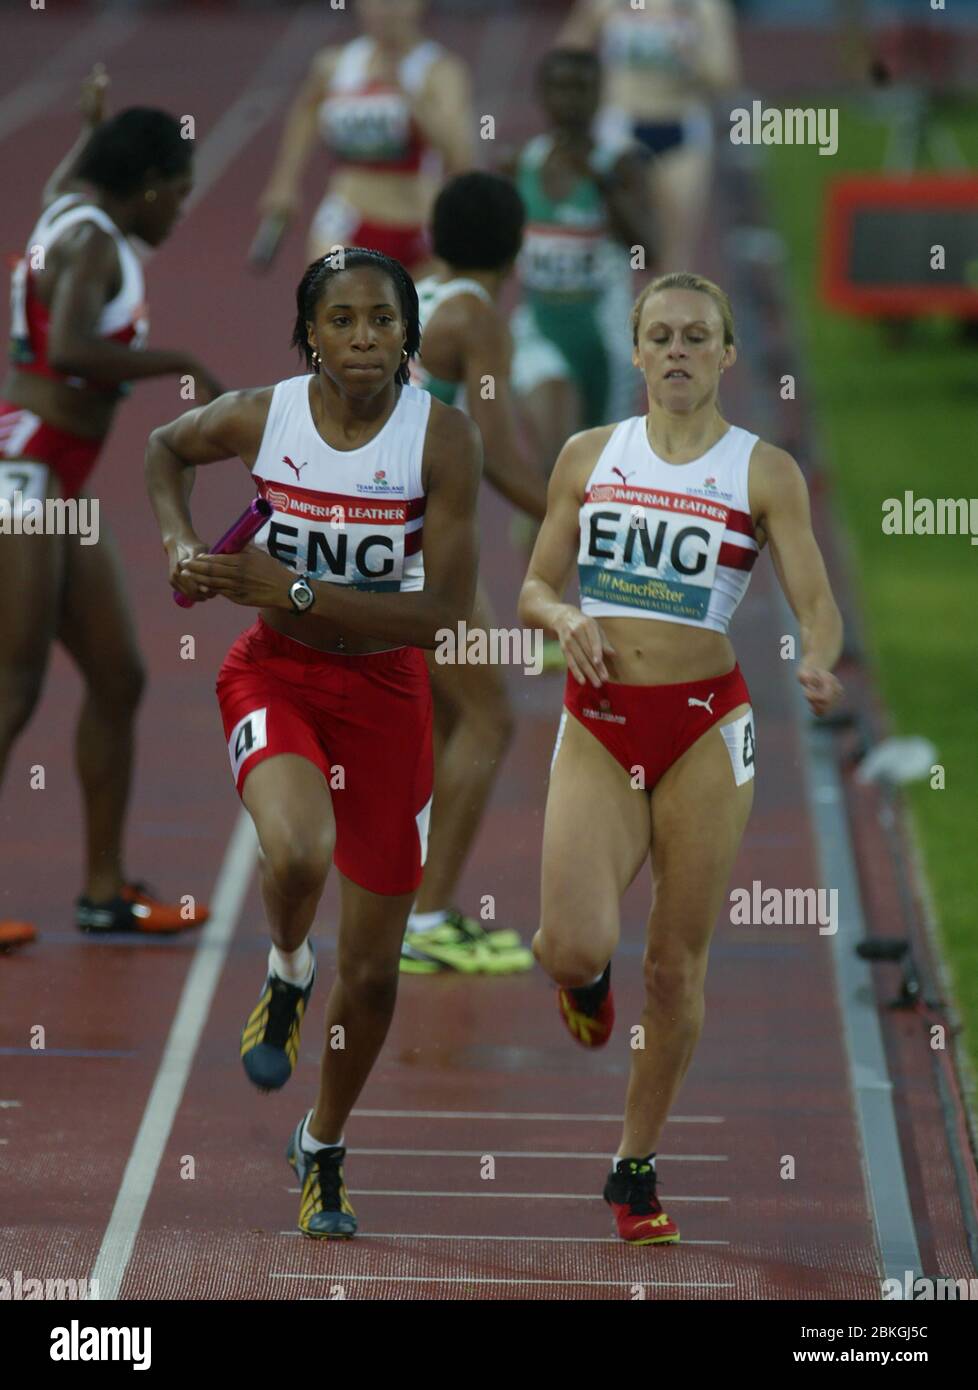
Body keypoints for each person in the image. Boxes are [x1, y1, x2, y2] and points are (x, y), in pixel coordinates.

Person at [145, 248, 481, 1238]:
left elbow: (442, 616)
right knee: (296, 849)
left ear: (409, 332)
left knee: (375, 972)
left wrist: (286, 586)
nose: (366, 339)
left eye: (384, 320)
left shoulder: (441, 439)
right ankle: (288, 965)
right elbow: (165, 447)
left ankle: (324, 1145)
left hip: (385, 696)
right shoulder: (265, 415)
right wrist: (174, 540)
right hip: (275, 676)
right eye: (343, 321)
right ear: (311, 336)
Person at [518, 271, 844, 1244]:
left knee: (673, 967)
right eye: (659, 336)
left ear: (727, 354)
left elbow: (814, 601)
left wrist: (819, 660)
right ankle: (584, 983)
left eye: (696, 337)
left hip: (706, 724)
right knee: (568, 944)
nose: (676, 352)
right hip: (601, 717)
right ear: (636, 351)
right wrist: (566, 612)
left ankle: (634, 1162)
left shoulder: (762, 471)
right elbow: (534, 586)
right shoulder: (588, 456)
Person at [0, 70, 221, 951]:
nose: (178, 216)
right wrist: (187, 363)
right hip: (26, 478)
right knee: (12, 688)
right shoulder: (96, 245)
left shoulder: (69, 210)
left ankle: (101, 893)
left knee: (120, 675)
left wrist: (89, 129)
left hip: (60, 480)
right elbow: (80, 349)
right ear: (150, 188)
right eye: (179, 197)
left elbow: (67, 181)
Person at [400, 171, 547, 975]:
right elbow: (496, 454)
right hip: (421, 559)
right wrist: (594, 510)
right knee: (489, 721)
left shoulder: (415, 293)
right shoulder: (478, 318)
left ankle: (406, 907)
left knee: (444, 723)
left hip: (370, 537)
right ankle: (423, 920)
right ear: (517, 248)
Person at [509, 47, 654, 480]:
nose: (569, 100)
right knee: (555, 461)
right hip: (539, 331)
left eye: (580, 89)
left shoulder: (621, 164)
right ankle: (540, 527)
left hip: (604, 342)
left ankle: (554, 530)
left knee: (600, 477)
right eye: (558, 89)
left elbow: (648, 247)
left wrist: (603, 184)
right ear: (542, 95)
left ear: (599, 94)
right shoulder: (522, 164)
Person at [252, 0, 474, 274]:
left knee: (415, 317)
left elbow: (460, 157)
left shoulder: (441, 71)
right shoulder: (334, 64)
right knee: (331, 309)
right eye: (373, 2)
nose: (384, 10)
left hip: (419, 230)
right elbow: (305, 114)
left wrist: (408, 96)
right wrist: (284, 182)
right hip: (347, 220)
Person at [560, 0, 740, 273]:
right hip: (621, 128)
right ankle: (619, 310)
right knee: (615, 247)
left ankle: (665, 312)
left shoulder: (703, 7)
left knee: (675, 253)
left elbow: (726, 78)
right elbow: (566, 57)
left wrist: (692, 57)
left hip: (681, 130)